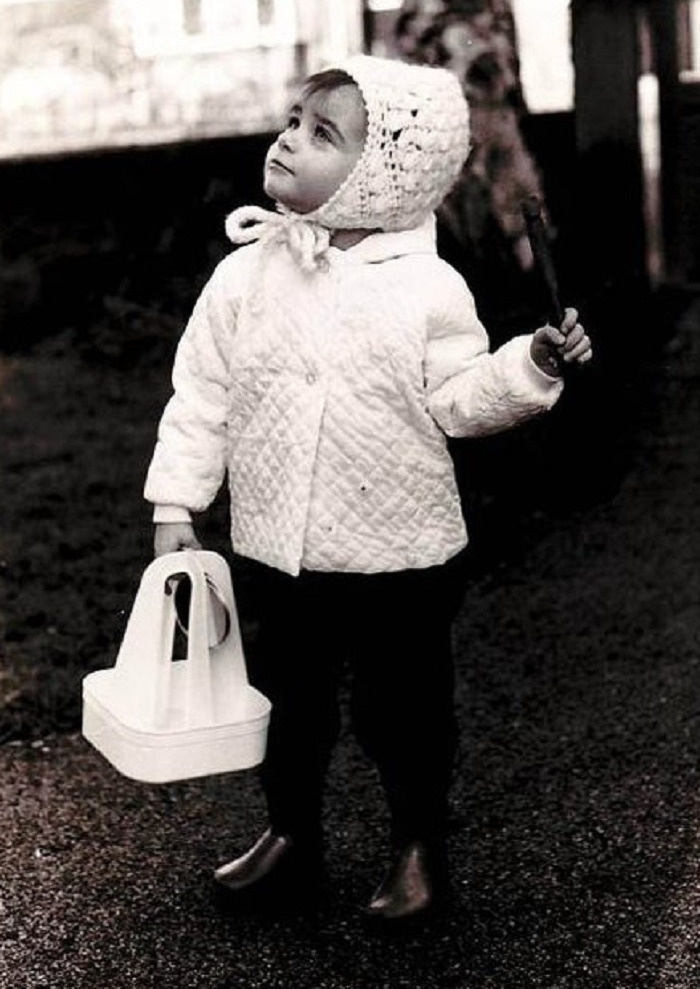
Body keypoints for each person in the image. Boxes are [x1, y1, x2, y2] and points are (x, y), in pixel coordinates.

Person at [144, 55, 592, 925]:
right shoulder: (246, 277)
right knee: (285, 701)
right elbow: (201, 393)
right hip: (281, 543)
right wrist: (176, 503)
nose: (288, 140)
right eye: (293, 121)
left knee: (406, 708)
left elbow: (461, 401)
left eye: (323, 134)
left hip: (402, 550)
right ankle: (290, 835)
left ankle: (418, 848)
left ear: (382, 175)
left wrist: (530, 364)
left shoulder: (427, 288)